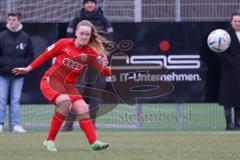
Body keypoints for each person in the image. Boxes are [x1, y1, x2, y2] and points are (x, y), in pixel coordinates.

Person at [12, 20, 111, 151]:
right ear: (76, 33)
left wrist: (105, 65)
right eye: (82, 33)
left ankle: (94, 142)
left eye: (87, 34)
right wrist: (28, 68)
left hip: (69, 86)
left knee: (82, 108)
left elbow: (105, 72)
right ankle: (49, 141)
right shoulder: (64, 43)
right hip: (51, 81)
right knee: (65, 102)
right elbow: (44, 56)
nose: (84, 36)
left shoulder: (90, 52)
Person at [62, 0, 113, 131]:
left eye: (92, 2)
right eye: (87, 2)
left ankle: (91, 124)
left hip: (98, 64)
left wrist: (105, 60)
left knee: (96, 94)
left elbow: (110, 43)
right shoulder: (76, 20)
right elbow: (69, 42)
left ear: (96, 4)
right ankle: (68, 125)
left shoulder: (104, 20)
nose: (89, 4)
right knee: (76, 93)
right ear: (84, 4)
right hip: (80, 64)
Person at [0, 12, 34, 133]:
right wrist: (3, 65)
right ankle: (0, 124)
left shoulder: (25, 37)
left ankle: (15, 125)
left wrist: (22, 67)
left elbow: (30, 55)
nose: (11, 22)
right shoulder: (2, 35)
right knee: (2, 99)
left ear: (19, 20)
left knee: (15, 100)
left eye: (14, 19)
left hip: (18, 75)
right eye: (9, 19)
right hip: (3, 74)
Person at [217, 12, 240, 130]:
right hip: (228, 73)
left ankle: (238, 123)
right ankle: (229, 124)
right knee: (227, 99)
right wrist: (233, 62)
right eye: (235, 21)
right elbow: (220, 52)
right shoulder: (225, 35)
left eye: (239, 21)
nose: (237, 23)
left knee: (239, 98)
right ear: (231, 22)